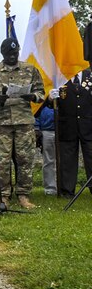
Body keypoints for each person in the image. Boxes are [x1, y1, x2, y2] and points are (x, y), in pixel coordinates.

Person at [0, 37, 44, 209]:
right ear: (3, 53)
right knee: (2, 161)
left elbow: (41, 91)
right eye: (9, 54)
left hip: (24, 121)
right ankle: (3, 196)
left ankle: (23, 195)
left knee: (25, 159)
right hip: (1, 123)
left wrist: (33, 96)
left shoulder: (29, 69)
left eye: (15, 53)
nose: (12, 56)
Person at [54, 65, 92, 199]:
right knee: (67, 160)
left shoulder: (89, 75)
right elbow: (51, 104)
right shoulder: (59, 77)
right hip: (67, 126)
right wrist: (50, 98)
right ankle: (67, 191)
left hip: (88, 125)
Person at [35, 102, 57, 196]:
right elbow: (35, 109)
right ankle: (50, 188)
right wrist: (36, 127)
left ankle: (64, 187)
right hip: (46, 130)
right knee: (48, 160)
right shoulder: (43, 92)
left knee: (65, 162)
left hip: (63, 129)